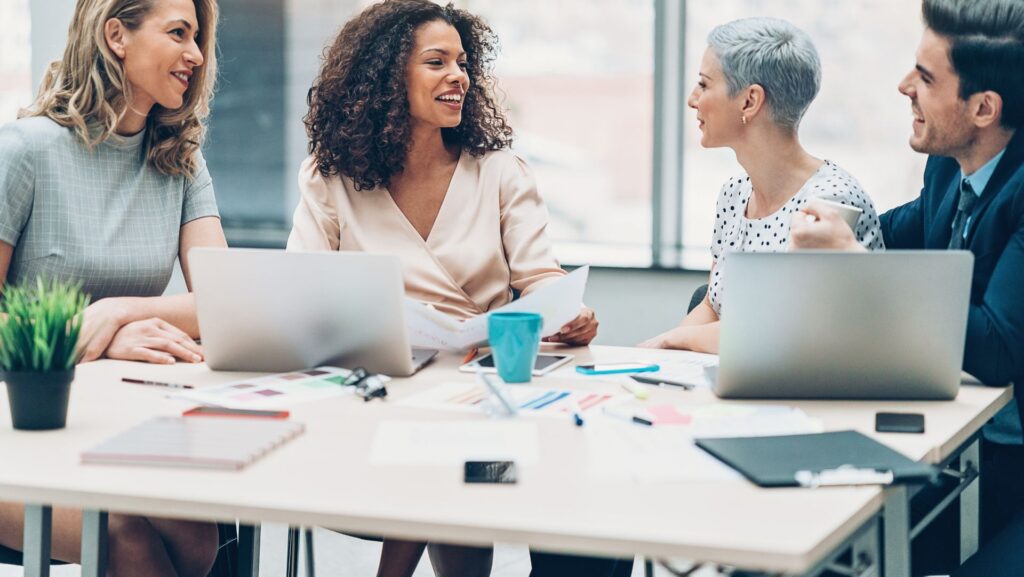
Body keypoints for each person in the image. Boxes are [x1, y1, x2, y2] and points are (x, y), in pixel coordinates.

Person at [287, 2, 626, 575]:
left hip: (480, 394)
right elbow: (301, 289)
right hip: (374, 392)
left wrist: (571, 313)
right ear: (388, 77)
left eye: (463, 63)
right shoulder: (332, 175)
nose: (458, 77)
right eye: (437, 62)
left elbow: (541, 277)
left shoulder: (498, 170)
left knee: (456, 446)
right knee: (437, 453)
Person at [790, 0, 1024, 569]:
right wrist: (836, 222)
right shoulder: (949, 166)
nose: (903, 87)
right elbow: (908, 227)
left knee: (840, 548)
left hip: (1008, 463)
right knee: (801, 525)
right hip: (958, 441)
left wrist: (856, 265)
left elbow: (998, 348)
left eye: (924, 78)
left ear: (984, 108)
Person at [0, 0, 228, 574]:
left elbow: (227, 302)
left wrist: (116, 314)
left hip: (120, 420)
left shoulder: (181, 161)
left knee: (199, 536)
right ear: (115, 36)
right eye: (178, 33)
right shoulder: (24, 151)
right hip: (22, 430)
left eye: (198, 37)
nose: (196, 55)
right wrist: (87, 332)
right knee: (123, 535)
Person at [638, 17, 884, 354]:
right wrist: (651, 356)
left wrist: (672, 339)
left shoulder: (831, 202)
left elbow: (778, 332)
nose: (692, 99)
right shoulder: (734, 193)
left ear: (750, 101)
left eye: (704, 85)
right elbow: (712, 304)